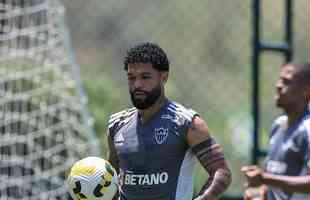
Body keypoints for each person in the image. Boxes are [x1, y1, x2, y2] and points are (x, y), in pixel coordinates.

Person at [107, 42, 232, 200]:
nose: (137, 84)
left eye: (145, 77)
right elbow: (111, 181)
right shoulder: (116, 125)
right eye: (131, 78)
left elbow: (222, 173)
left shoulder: (187, 123)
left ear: (163, 77)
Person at [242, 63, 310, 200]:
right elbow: (276, 176)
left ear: (306, 90)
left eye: (287, 82)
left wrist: (265, 179)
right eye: (279, 80)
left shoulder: (307, 129)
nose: (278, 85)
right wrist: (261, 193)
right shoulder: (278, 125)